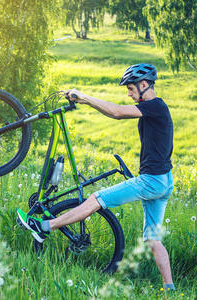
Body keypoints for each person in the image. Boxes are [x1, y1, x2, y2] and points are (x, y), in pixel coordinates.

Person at [16, 63, 176, 290]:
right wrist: (84, 100)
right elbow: (117, 113)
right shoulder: (155, 108)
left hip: (152, 181)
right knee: (152, 239)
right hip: (163, 181)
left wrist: (85, 97)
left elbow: (117, 112)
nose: (128, 94)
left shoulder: (155, 106)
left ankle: (45, 227)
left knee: (95, 199)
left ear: (144, 84)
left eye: (131, 88)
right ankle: (170, 289)